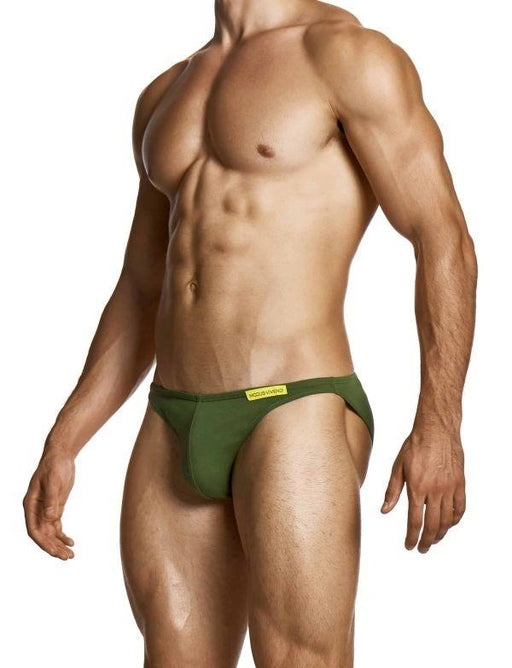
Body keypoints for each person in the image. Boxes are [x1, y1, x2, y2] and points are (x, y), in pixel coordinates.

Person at [23, 1, 477, 665]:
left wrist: (439, 423)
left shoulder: (346, 57)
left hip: (294, 405)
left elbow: (443, 239)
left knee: (301, 656)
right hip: (172, 417)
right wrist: (65, 438)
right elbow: (143, 285)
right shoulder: (165, 92)